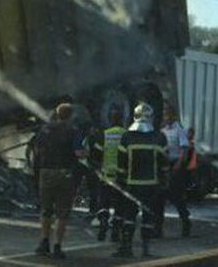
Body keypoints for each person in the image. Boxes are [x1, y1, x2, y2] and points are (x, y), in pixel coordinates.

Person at [114, 103, 168, 258]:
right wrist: (164, 181)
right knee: (148, 217)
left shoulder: (127, 137)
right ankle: (146, 249)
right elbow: (164, 164)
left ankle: (127, 247)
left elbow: (121, 164)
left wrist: (120, 181)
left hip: (131, 185)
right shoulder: (159, 137)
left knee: (129, 216)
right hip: (152, 186)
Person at [34, 103, 87, 259]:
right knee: (62, 212)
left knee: (46, 209)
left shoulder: (45, 129)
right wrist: (87, 153)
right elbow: (79, 153)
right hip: (64, 174)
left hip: (46, 172)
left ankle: (44, 242)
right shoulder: (73, 131)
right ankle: (57, 246)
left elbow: (37, 149)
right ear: (70, 116)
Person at [90, 108, 127, 242]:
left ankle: (103, 224)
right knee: (119, 205)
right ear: (122, 119)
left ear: (110, 120)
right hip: (121, 176)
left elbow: (96, 154)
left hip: (106, 175)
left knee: (103, 202)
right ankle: (115, 232)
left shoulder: (104, 135)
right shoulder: (126, 135)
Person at [155, 106, 191, 238]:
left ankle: (186, 222)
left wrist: (178, 164)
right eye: (165, 114)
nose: (166, 117)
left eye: (169, 114)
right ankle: (158, 228)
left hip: (175, 166)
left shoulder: (179, 130)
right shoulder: (162, 131)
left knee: (176, 197)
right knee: (159, 198)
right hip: (163, 166)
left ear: (173, 116)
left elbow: (184, 149)